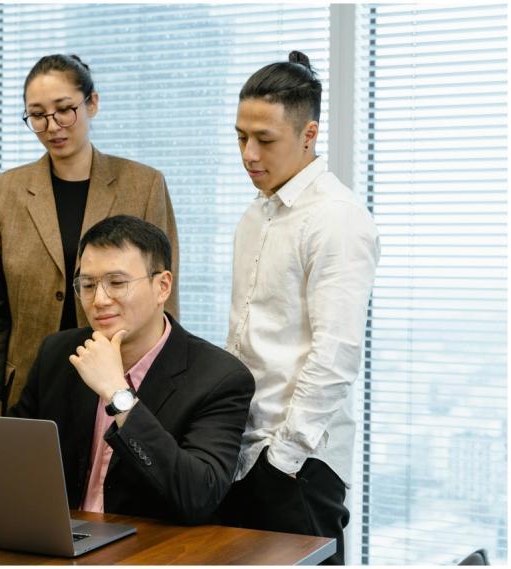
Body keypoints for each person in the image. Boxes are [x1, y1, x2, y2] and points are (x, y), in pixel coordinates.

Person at [219, 51, 380, 564]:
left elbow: (335, 356)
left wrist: (283, 459)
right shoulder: (255, 215)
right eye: (241, 136)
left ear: (309, 135)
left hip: (299, 467)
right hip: (241, 454)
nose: (248, 153)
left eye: (265, 140)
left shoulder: (336, 218)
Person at [0, 54, 180, 417]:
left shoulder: (143, 185)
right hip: (30, 388)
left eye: (65, 109)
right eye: (37, 115)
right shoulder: (1, 195)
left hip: (120, 384)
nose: (53, 125)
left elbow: (162, 301)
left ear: (92, 103)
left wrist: (156, 404)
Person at [9, 215, 254, 524]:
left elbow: (197, 495)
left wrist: (117, 393)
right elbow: (12, 454)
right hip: (61, 538)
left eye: (117, 283)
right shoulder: (59, 354)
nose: (99, 300)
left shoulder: (219, 378)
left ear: (162, 286)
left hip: (150, 548)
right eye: (87, 285)